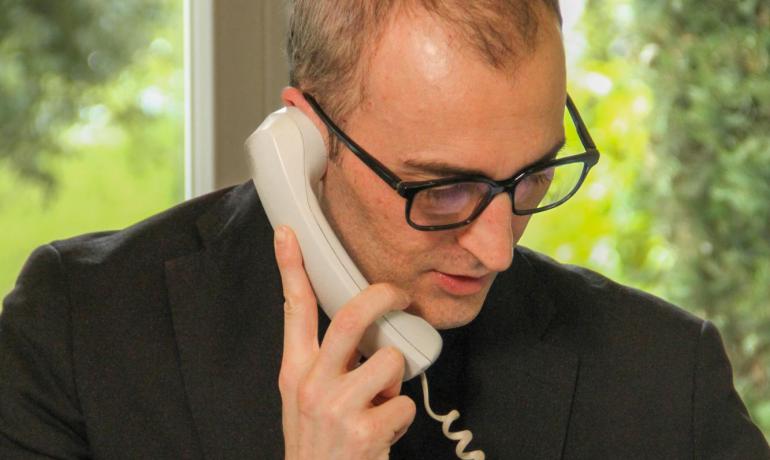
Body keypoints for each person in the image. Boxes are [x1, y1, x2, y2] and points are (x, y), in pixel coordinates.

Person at [1, 0, 768, 458]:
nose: (499, 247)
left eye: (531, 176)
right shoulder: (76, 330)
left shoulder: (668, 377)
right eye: (441, 191)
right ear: (306, 140)